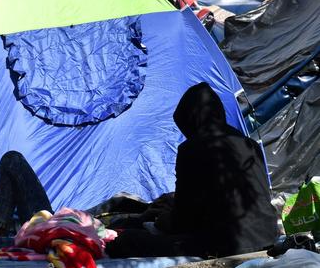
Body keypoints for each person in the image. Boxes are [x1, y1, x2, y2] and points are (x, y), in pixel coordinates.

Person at [106, 82, 279, 258]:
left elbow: (184, 220)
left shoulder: (192, 149)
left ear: (190, 120)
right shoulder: (249, 144)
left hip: (225, 245)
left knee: (128, 240)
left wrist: (161, 220)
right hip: (268, 236)